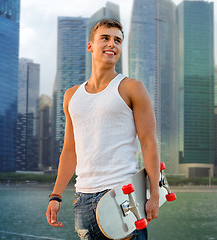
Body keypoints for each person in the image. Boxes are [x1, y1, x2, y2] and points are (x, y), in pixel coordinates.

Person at [46, 19, 160, 240]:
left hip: (122, 196)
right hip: (83, 201)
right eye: (105, 38)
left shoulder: (132, 87)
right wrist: (56, 195)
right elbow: (70, 150)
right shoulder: (71, 96)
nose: (112, 44)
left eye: (117, 40)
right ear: (90, 46)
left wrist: (154, 193)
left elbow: (148, 141)